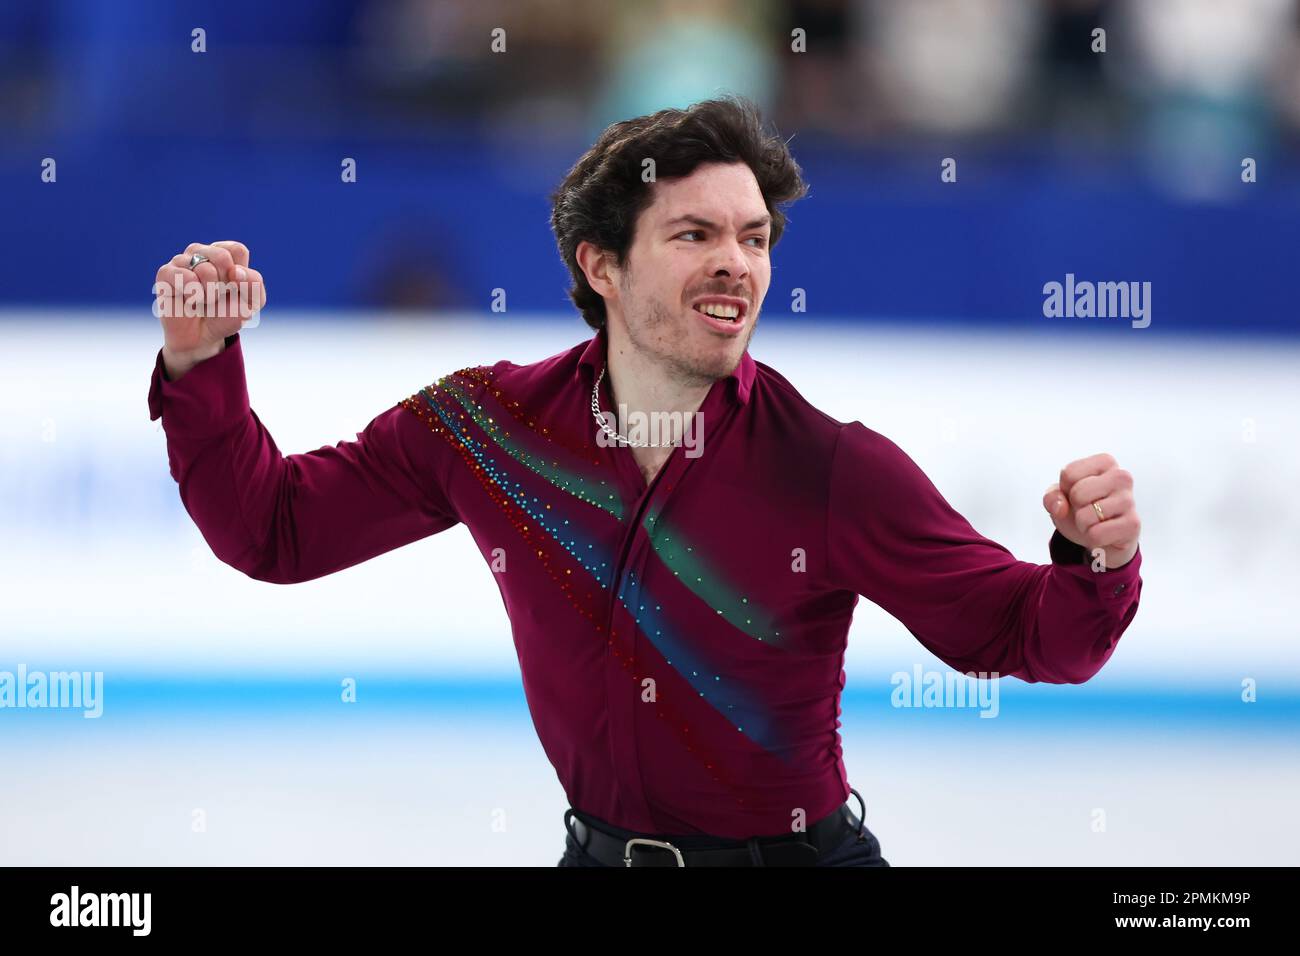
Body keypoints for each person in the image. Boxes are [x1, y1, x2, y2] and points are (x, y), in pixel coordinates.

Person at [148, 95, 1143, 867]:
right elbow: (275, 530)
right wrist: (200, 367)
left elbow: (1023, 632)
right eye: (694, 234)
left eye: (753, 238)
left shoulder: (830, 465)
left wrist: (1096, 556)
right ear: (604, 265)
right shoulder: (487, 427)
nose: (736, 266)